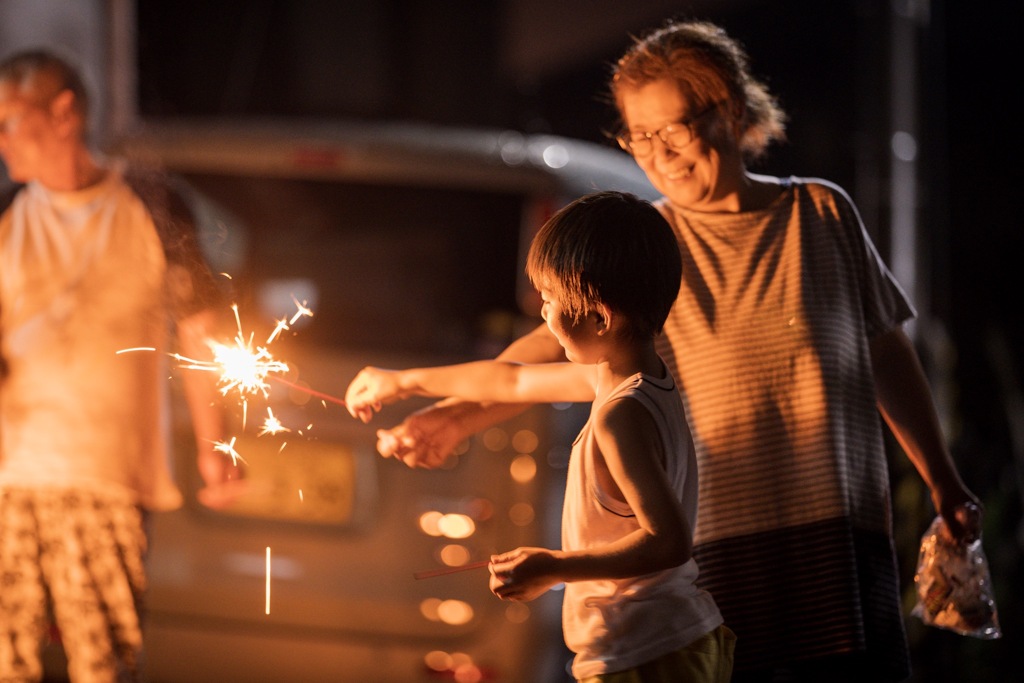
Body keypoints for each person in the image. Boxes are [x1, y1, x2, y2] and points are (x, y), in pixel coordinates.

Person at [366, 18, 982, 683]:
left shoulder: (820, 216)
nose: (660, 154)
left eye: (677, 128)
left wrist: (943, 480)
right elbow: (544, 356)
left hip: (833, 544)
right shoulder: (649, 246)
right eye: (640, 135)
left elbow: (883, 349)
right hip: (715, 555)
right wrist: (452, 412)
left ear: (734, 110)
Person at [345, 190, 735, 683]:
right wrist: (404, 381)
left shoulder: (621, 416)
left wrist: (555, 566)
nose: (544, 317)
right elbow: (510, 379)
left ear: (599, 316)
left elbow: (668, 542)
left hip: (645, 651)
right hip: (660, 643)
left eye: (550, 302)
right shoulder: (636, 379)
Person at [0, 49, 241, 682]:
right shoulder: (6, 216)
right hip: (9, 478)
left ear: (64, 113)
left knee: (102, 665)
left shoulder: (150, 205)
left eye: (11, 121)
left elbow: (198, 332)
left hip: (106, 479)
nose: (2, 140)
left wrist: (215, 445)